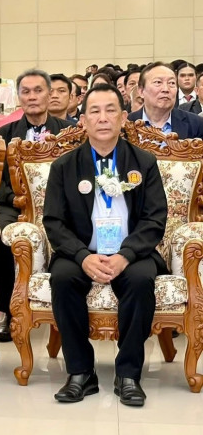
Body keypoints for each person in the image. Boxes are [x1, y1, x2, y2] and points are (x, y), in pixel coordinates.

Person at [44, 85, 167, 407]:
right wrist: (82, 256)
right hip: (81, 251)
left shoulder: (144, 162)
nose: (103, 118)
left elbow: (155, 218)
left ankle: (128, 374)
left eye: (110, 110)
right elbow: (54, 222)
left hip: (132, 252)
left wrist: (126, 255)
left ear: (124, 117)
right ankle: (81, 373)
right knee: (63, 278)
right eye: (94, 111)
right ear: (83, 120)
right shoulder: (64, 166)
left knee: (141, 280)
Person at [0, 70, 74, 342]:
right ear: (19, 97)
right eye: (25, 92)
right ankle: (7, 310)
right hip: (15, 205)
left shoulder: (69, 132)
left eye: (38, 90)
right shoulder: (4, 133)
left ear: (49, 94)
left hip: (61, 205)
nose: (32, 97)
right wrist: (20, 198)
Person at [127, 62, 203, 139]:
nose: (166, 89)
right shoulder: (126, 124)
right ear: (141, 91)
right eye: (158, 82)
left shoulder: (196, 124)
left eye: (171, 83)